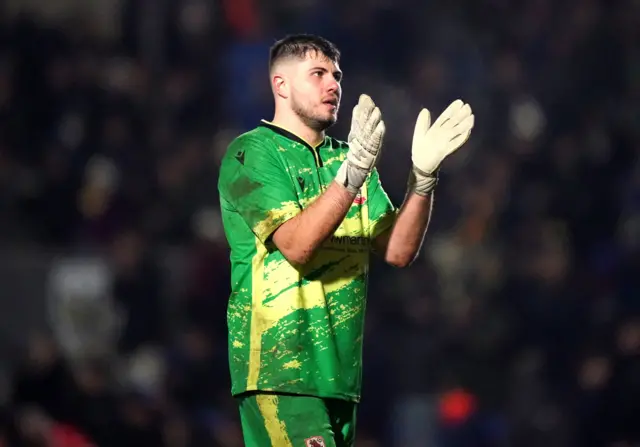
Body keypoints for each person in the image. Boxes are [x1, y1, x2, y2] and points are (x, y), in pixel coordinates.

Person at [217, 34, 474, 447]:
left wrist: (422, 180)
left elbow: (397, 250)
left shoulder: (350, 158)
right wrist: (353, 173)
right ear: (280, 85)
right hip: (280, 370)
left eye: (336, 75)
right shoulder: (252, 153)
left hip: (339, 377)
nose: (333, 85)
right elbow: (298, 246)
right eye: (317, 74)